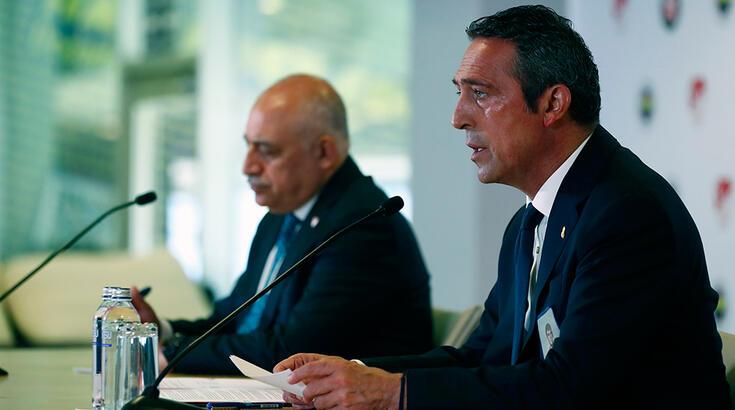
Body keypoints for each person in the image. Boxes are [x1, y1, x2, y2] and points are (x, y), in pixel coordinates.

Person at [275, 6, 731, 409]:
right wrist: (351, 374)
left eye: (480, 93)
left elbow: (570, 390)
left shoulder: (628, 215)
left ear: (552, 103)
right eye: (459, 92)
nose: (458, 117)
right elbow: (481, 358)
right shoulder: (529, 222)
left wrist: (389, 394)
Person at [132, 74, 433, 374]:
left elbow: (292, 351)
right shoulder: (280, 216)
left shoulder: (362, 225)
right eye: (249, 146)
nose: (248, 166)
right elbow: (234, 320)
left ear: (324, 153)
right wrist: (163, 332)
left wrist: (172, 352)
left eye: (267, 151)